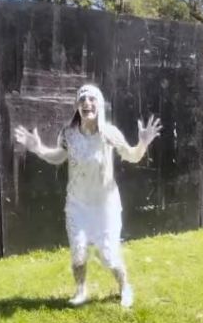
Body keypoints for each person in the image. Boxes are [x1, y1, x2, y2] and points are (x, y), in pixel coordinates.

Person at [14, 83, 161, 308]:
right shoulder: (68, 134)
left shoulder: (109, 133)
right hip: (78, 204)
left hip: (105, 205)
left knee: (109, 257)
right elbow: (58, 157)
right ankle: (81, 290)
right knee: (78, 253)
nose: (87, 103)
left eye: (92, 99)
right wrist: (38, 148)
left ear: (99, 105)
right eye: (82, 99)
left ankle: (124, 287)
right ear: (77, 106)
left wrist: (142, 143)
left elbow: (132, 156)